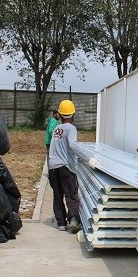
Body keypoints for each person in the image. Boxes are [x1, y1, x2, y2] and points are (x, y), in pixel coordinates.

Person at [48, 99, 97, 233]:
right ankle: (74, 220)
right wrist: (88, 159)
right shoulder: (71, 128)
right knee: (71, 194)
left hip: (52, 167)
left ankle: (61, 223)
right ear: (72, 115)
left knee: (57, 195)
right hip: (65, 167)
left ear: (60, 114)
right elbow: (73, 145)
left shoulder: (57, 128)